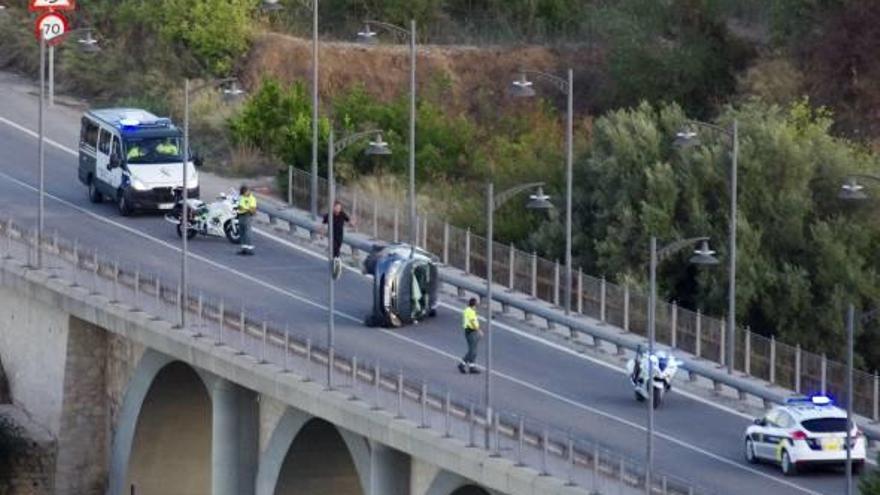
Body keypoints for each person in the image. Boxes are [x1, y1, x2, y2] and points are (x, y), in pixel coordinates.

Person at [458, 298, 481, 374]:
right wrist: (479, 331)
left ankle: (472, 366)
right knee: (472, 351)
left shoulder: (467, 310)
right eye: (476, 304)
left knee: (473, 350)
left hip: (468, 331)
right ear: (474, 305)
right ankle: (462, 364)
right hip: (471, 332)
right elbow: (473, 322)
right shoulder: (471, 312)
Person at [236, 185, 257, 255]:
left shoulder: (252, 199)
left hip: (247, 216)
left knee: (247, 233)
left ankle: (250, 249)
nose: (245, 193)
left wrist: (245, 208)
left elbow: (253, 210)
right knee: (242, 233)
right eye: (244, 192)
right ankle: (244, 249)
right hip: (240, 215)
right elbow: (239, 206)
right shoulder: (241, 197)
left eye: (246, 191)